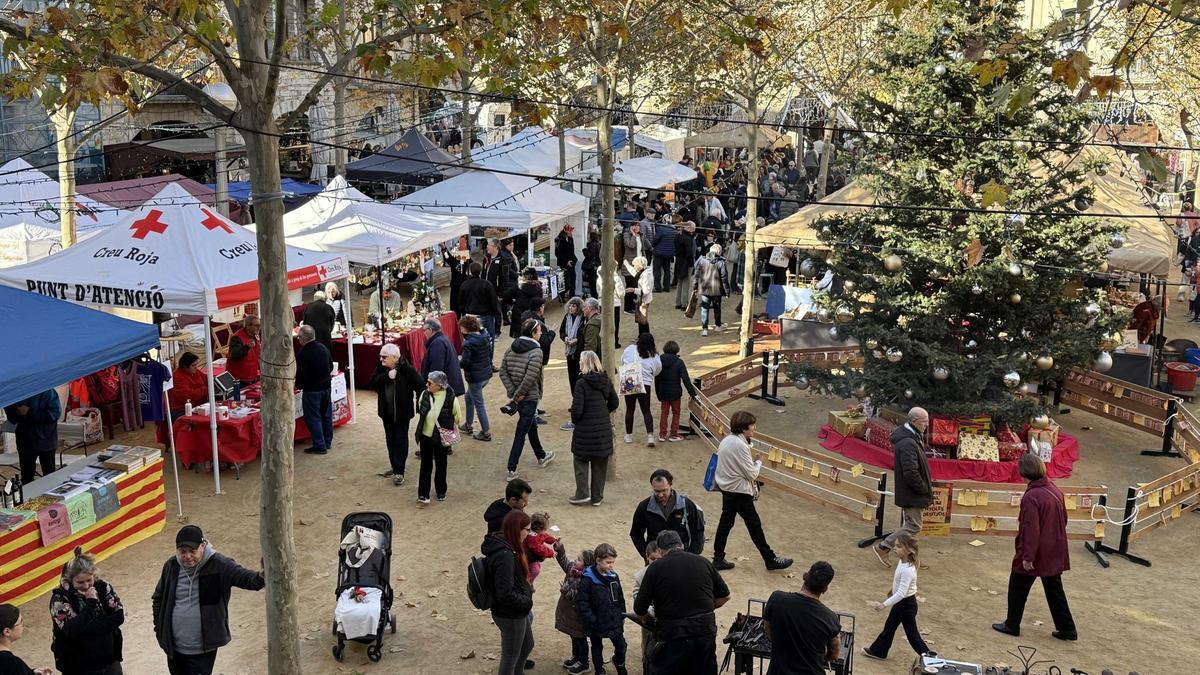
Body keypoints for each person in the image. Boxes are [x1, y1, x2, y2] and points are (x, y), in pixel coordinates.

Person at [152, 525, 264, 675]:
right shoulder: (171, 566)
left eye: (192, 551)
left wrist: (262, 576)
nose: (187, 556)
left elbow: (248, 579)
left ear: (203, 546)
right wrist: (159, 627)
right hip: (174, 649)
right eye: (183, 551)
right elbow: (158, 598)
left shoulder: (220, 565)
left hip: (203, 650)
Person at [992, 454, 1077, 641]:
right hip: (1054, 548)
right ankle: (1067, 629)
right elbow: (1064, 519)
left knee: (1017, 587)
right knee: (1055, 590)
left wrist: (1028, 556)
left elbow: (1030, 529)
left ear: (1024, 473)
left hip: (1037, 551)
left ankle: (1012, 624)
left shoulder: (1031, 496)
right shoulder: (1054, 489)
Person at [634, 530, 730, 675]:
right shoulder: (703, 562)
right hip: (704, 632)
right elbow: (725, 596)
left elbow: (639, 608)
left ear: (660, 550)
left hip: (672, 635)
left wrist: (648, 619)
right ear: (682, 545)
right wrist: (705, 609)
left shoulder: (655, 568)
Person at [712, 410, 793, 571]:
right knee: (754, 525)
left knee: (725, 523)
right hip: (739, 491)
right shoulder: (740, 445)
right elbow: (752, 474)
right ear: (744, 428)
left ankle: (718, 557)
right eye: (752, 425)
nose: (754, 428)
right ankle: (770, 558)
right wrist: (758, 462)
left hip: (727, 488)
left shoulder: (727, 440)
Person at [49, 547, 124, 675]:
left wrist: (87, 629)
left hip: (109, 659)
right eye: (80, 582)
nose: (86, 586)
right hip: (78, 666)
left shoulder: (103, 587)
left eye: (89, 580)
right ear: (70, 580)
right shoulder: (59, 599)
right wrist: (91, 603)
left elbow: (118, 616)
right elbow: (71, 630)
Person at [872, 407, 932, 565]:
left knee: (910, 526)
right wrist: (923, 489)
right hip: (912, 493)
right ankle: (884, 546)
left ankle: (910, 558)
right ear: (914, 421)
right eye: (924, 421)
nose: (927, 425)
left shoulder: (911, 436)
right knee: (913, 526)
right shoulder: (907, 442)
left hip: (910, 491)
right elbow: (910, 472)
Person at [763, 561, 842, 675]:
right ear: (825, 589)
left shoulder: (777, 599)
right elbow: (834, 654)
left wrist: (782, 645)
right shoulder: (830, 618)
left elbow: (767, 628)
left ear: (805, 576)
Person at [482, 511, 536, 675]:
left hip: (517, 610)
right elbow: (504, 593)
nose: (529, 533)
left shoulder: (507, 545)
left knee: (527, 645)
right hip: (510, 614)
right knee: (510, 659)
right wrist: (526, 602)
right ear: (516, 529)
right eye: (527, 529)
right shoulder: (505, 555)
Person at [862, 533, 931, 661]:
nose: (894, 548)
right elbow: (900, 584)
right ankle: (879, 651)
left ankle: (929, 657)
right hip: (902, 603)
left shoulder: (908, 570)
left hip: (906, 605)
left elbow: (902, 593)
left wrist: (884, 604)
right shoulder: (902, 562)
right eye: (895, 546)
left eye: (899, 546)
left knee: (912, 635)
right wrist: (892, 590)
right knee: (889, 627)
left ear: (909, 551)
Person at [500, 319, 555, 480]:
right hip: (529, 398)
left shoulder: (511, 348)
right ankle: (511, 468)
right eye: (539, 331)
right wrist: (517, 396)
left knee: (531, 425)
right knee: (521, 432)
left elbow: (503, 372)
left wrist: (513, 393)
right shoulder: (537, 352)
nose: (541, 333)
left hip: (521, 397)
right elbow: (530, 378)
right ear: (533, 333)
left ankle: (541, 455)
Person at [567, 351, 620, 507]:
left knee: (580, 459)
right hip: (603, 430)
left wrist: (576, 420)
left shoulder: (581, 383)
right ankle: (597, 497)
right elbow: (614, 402)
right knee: (600, 463)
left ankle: (582, 494)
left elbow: (577, 410)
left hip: (585, 430)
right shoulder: (606, 380)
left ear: (584, 363)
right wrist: (603, 412)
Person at [370, 343, 423, 485]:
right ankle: (395, 467)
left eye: (384, 357)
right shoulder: (381, 368)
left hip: (402, 414)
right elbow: (372, 383)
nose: (381, 359)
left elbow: (420, 386)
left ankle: (399, 471)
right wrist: (387, 376)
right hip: (386, 413)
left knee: (400, 440)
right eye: (380, 356)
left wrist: (419, 406)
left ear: (394, 358)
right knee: (390, 440)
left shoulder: (407, 369)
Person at [576, 543, 628, 675]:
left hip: (614, 620)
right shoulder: (588, 579)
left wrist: (622, 614)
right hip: (596, 623)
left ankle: (619, 662)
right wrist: (593, 620)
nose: (611, 565)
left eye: (612, 562)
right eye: (608, 562)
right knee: (597, 647)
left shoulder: (614, 577)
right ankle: (599, 670)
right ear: (598, 560)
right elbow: (582, 603)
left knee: (621, 645)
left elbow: (620, 597)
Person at [413, 370, 464, 505]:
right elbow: (420, 407)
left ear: (439, 385)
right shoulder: (425, 394)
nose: (427, 384)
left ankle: (441, 491)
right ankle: (423, 494)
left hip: (441, 438)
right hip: (425, 436)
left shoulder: (451, 399)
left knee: (441, 464)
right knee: (425, 465)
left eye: (430, 383)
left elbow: (458, 418)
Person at [630, 468, 705, 556]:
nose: (660, 495)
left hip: (681, 556)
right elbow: (636, 534)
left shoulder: (686, 505)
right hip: (657, 558)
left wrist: (691, 555)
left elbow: (698, 531)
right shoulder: (644, 507)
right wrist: (647, 554)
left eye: (664, 490)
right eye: (657, 491)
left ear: (670, 485)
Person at [3, 389, 60, 483]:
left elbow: (55, 414)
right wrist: (16, 411)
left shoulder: (48, 391)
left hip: (46, 440)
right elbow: (12, 417)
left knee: (49, 476)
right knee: (27, 478)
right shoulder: (17, 391)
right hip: (26, 441)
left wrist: (30, 412)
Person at [295, 325, 334, 455]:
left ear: (302, 338)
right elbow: (330, 366)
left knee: (313, 418)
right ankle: (327, 442)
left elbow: (301, 374)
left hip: (312, 390)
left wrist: (299, 385)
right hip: (326, 387)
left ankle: (319, 445)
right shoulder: (323, 347)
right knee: (326, 415)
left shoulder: (303, 353)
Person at [556, 548, 596, 675]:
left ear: (586, 564)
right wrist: (560, 550)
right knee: (573, 635)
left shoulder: (586, 579)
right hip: (570, 614)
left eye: (579, 559)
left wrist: (566, 590)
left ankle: (584, 662)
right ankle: (576, 657)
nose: (575, 561)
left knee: (580, 638)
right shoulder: (573, 569)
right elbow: (564, 562)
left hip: (578, 616)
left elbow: (579, 597)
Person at [620, 332, 662, 447]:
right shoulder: (653, 355)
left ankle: (628, 435)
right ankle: (650, 436)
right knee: (646, 410)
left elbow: (622, 361)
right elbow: (657, 370)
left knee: (630, 409)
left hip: (630, 379)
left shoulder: (629, 349)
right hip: (645, 382)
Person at [458, 314, 494, 442]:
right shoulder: (484, 336)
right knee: (469, 397)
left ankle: (486, 432)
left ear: (464, 329)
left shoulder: (467, 343)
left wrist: (455, 362)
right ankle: (468, 425)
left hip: (475, 378)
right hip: (485, 375)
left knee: (479, 405)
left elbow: (465, 363)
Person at [655, 340, 698, 443]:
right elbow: (685, 379)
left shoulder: (659, 360)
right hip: (675, 392)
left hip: (663, 392)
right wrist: (692, 393)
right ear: (676, 350)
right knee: (676, 412)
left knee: (664, 413)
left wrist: (658, 393)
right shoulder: (679, 362)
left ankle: (662, 434)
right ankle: (673, 434)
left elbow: (657, 379)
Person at [631, 541, 662, 673]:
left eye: (659, 559)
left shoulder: (670, 572)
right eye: (652, 559)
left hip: (666, 619)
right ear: (647, 557)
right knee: (648, 645)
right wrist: (649, 610)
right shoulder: (642, 575)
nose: (655, 562)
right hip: (649, 618)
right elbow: (636, 593)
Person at [0, 604, 53, 675]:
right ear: (7, 631)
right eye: (20, 623)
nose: (22, 626)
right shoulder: (12, 663)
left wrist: (31, 672)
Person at [419, 318, 465, 397]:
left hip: (444, 389)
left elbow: (436, 369)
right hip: (449, 385)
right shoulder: (442, 339)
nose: (424, 333)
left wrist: (432, 387)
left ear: (430, 330)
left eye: (425, 330)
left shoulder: (437, 344)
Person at [559, 297, 586, 424]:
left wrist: (576, 340)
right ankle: (575, 402)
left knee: (579, 377)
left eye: (573, 306)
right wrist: (565, 338)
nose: (571, 308)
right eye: (570, 305)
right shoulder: (567, 317)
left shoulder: (583, 319)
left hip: (579, 353)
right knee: (571, 378)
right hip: (569, 353)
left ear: (578, 307)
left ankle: (581, 403)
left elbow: (583, 335)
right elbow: (561, 331)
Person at [461, 262, 502, 343]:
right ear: (480, 271)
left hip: (470, 315)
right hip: (486, 315)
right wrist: (493, 313)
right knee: (489, 339)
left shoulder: (464, 285)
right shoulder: (487, 284)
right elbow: (493, 301)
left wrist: (464, 312)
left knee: (470, 340)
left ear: (470, 271)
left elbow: (460, 302)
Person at [693, 244, 729, 336]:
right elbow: (724, 278)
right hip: (717, 290)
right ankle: (718, 325)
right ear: (719, 252)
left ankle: (704, 328)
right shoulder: (721, 262)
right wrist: (727, 292)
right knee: (717, 308)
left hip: (704, 289)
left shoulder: (702, 260)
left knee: (704, 309)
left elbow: (696, 275)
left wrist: (695, 287)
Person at [169, 353, 208, 421]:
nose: (196, 367)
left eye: (196, 364)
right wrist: (206, 390)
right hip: (182, 410)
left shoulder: (195, 372)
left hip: (198, 406)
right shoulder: (177, 377)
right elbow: (188, 395)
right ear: (185, 366)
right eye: (193, 365)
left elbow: (206, 379)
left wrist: (214, 381)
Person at [523, 512, 559, 583]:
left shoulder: (537, 533)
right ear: (538, 529)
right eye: (544, 529)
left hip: (531, 556)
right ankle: (527, 583)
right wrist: (551, 553)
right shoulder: (532, 538)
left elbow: (545, 536)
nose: (545, 531)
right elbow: (539, 549)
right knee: (535, 570)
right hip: (529, 557)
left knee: (536, 567)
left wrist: (554, 539)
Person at [224, 315, 261, 383]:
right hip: (239, 378)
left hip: (251, 376)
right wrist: (247, 347)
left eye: (260, 325)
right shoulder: (237, 338)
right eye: (256, 325)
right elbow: (234, 356)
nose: (259, 328)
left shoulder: (255, 335)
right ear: (248, 326)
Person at [510, 268, 544, 338]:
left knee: (519, 337)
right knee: (533, 335)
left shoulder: (518, 286)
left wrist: (513, 301)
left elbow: (507, 295)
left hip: (519, 315)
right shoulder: (539, 287)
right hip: (533, 315)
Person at [625, 256, 654, 334]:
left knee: (643, 319)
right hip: (641, 299)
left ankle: (644, 336)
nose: (634, 267)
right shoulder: (642, 272)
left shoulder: (646, 275)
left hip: (644, 300)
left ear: (640, 266)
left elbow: (646, 291)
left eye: (635, 265)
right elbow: (634, 273)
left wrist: (633, 290)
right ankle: (642, 336)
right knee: (640, 319)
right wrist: (627, 265)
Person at [439, 243, 469, 314]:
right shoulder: (454, 261)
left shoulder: (467, 261)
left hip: (464, 287)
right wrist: (443, 248)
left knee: (464, 307)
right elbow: (447, 257)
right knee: (455, 308)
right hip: (455, 287)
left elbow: (472, 268)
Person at [673, 221, 696, 310]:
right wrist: (691, 264)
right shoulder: (688, 238)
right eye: (693, 228)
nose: (694, 230)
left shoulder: (677, 236)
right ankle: (684, 304)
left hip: (679, 261)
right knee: (686, 283)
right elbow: (689, 253)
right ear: (689, 228)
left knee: (679, 282)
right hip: (686, 263)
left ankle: (678, 303)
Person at [651, 218, 676, 293]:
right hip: (669, 254)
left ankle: (658, 288)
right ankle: (667, 287)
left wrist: (653, 245)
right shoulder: (674, 231)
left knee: (657, 271)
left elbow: (655, 241)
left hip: (659, 253)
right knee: (667, 271)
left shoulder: (660, 230)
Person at [556, 224, 578, 297]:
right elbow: (557, 253)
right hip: (563, 263)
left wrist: (573, 260)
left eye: (571, 231)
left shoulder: (570, 238)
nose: (571, 232)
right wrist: (566, 261)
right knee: (565, 281)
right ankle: (561, 296)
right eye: (570, 231)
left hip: (571, 262)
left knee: (573, 279)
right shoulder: (559, 239)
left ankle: (572, 296)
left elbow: (572, 251)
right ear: (565, 231)